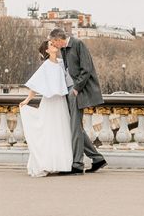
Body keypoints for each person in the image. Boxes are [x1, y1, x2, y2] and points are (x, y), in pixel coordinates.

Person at [49, 28, 106, 174]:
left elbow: (86, 68)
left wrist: (76, 88)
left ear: (59, 39)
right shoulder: (65, 49)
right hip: (70, 91)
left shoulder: (78, 44)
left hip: (77, 91)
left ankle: (77, 164)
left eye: (53, 41)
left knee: (75, 127)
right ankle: (97, 158)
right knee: (76, 128)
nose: (53, 44)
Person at [19, 40, 73, 177]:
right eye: (51, 45)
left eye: (55, 44)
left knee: (62, 131)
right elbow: (35, 86)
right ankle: (48, 163)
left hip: (61, 102)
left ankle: (62, 164)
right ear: (47, 51)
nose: (54, 45)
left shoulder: (62, 63)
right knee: (50, 132)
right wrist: (27, 100)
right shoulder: (45, 66)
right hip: (50, 103)